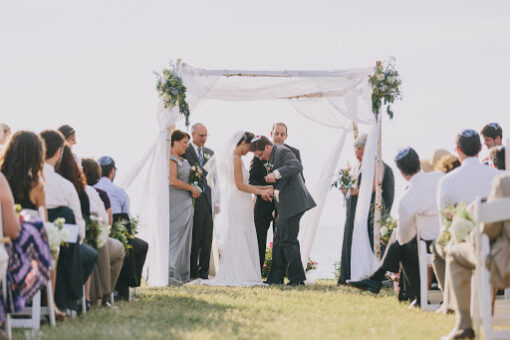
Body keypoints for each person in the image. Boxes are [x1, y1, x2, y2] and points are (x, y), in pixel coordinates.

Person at [347, 147, 443, 305]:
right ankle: (377, 279)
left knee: (401, 244)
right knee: (401, 242)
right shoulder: (440, 177)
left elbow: (404, 236)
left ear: (401, 172)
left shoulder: (407, 198)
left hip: (427, 247)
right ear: (418, 163)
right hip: (448, 238)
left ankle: (415, 295)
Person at [190, 132, 273, 287]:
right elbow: (240, 185)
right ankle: (238, 271)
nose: (249, 151)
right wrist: (261, 191)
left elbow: (245, 184)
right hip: (239, 201)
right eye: (248, 147)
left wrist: (265, 187)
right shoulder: (235, 159)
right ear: (242, 142)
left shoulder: (238, 159)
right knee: (239, 232)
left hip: (243, 201)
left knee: (243, 232)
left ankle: (243, 270)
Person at [431, 129, 500, 311]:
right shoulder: (496, 177)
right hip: (494, 245)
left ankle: (451, 301)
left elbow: (443, 224)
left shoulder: (447, 181)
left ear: (458, 150)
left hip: (462, 245)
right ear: (479, 148)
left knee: (437, 249)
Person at [442, 173, 510, 340]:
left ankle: (463, 325)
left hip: (505, 260)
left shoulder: (504, 182)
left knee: (454, 253)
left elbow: (489, 230)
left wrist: (472, 235)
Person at [0, 131, 60, 318]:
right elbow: (44, 221)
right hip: (21, 243)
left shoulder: (3, 178)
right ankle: (51, 303)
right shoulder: (35, 185)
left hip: (5, 241)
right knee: (49, 248)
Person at [40, 129, 97, 312]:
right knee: (89, 254)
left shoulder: (24, 181)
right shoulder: (66, 186)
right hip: (63, 250)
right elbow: (79, 231)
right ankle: (63, 299)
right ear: (59, 152)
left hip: (27, 246)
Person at [251, 135, 316, 286]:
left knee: (288, 240)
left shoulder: (282, 152)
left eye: (260, 155)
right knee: (281, 239)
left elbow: (297, 166)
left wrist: (276, 174)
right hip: (285, 203)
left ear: (267, 147)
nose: (260, 159)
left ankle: (297, 279)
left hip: (293, 203)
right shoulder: (273, 155)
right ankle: (276, 278)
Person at [338, 134, 395, 284]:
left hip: (371, 207)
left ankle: (374, 273)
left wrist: (354, 191)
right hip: (356, 207)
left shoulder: (377, 162)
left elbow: (376, 185)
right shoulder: (359, 166)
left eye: (361, 150)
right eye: (356, 150)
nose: (358, 154)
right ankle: (349, 272)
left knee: (372, 239)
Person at [95, 155, 148, 300]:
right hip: (118, 237)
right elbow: (126, 219)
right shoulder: (120, 192)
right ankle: (128, 284)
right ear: (112, 172)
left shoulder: (92, 190)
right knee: (141, 246)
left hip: (96, 236)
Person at [81, 158, 125, 307]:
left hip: (77, 237)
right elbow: (106, 221)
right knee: (114, 247)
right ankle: (105, 293)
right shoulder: (94, 192)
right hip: (92, 238)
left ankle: (100, 294)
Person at [181, 123, 217, 279]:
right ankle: (192, 270)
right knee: (195, 236)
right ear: (193, 134)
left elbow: (215, 178)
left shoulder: (210, 153)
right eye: (201, 135)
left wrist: (217, 201)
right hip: (193, 199)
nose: (204, 138)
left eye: (206, 135)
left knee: (207, 235)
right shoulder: (185, 151)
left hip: (209, 199)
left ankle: (204, 271)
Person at [168, 130, 200, 284]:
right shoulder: (171, 160)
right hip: (175, 203)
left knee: (184, 239)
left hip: (187, 205)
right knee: (173, 236)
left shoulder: (184, 160)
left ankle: (181, 272)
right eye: (184, 142)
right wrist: (190, 188)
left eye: (188, 143)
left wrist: (195, 187)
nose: (187, 146)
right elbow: (173, 181)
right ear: (174, 142)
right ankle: (169, 270)